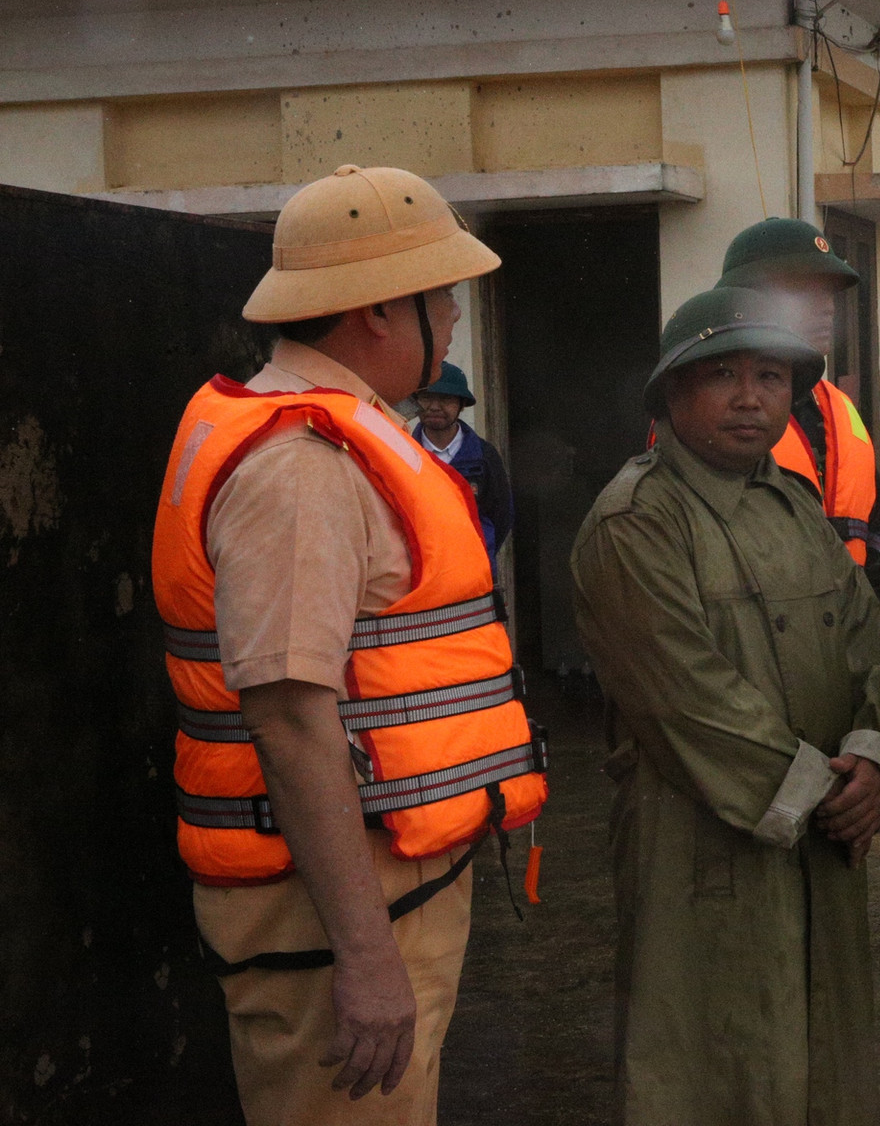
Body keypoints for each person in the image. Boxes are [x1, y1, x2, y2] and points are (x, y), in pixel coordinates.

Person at [152, 165, 548, 1124]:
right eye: (441, 292)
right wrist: (367, 958)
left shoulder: (348, 433)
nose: (454, 313)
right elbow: (288, 718)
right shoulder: (302, 466)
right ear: (379, 308)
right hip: (333, 918)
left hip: (368, 888)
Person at [571, 286, 880, 1126]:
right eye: (722, 373)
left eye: (770, 375)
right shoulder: (634, 521)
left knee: (822, 1068)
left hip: (821, 849)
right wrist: (833, 797)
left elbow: (869, 645)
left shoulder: (796, 506)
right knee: (711, 1069)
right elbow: (686, 700)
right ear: (671, 393)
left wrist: (878, 760)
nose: (750, 396)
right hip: (698, 854)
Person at [714, 217, 880, 620]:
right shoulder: (713, 413)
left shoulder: (839, 409)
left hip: (852, 654)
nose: (827, 307)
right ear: (749, 300)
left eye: (830, 292)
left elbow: (879, 532)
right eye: (805, 290)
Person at [411, 362, 513, 559]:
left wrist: (480, 554)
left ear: (461, 405)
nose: (434, 407)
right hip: (420, 572)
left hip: (473, 575)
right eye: (426, 398)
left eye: (445, 399)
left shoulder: (484, 456)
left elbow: (502, 516)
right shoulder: (402, 451)